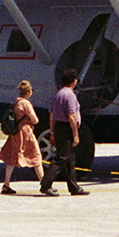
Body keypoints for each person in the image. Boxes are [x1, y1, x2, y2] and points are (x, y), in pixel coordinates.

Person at [40, 69, 88, 197]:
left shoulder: (58, 95)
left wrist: (52, 133)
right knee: (62, 158)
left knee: (70, 159)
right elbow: (72, 115)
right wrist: (76, 134)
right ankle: (45, 184)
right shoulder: (70, 95)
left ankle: (74, 187)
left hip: (59, 128)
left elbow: (52, 116)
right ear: (74, 81)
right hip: (67, 128)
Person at [0, 80, 44, 194]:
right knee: (36, 156)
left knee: (11, 158)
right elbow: (35, 120)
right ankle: (44, 183)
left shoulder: (16, 102)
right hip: (25, 132)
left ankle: (6, 184)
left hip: (16, 132)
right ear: (28, 92)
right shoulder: (26, 103)